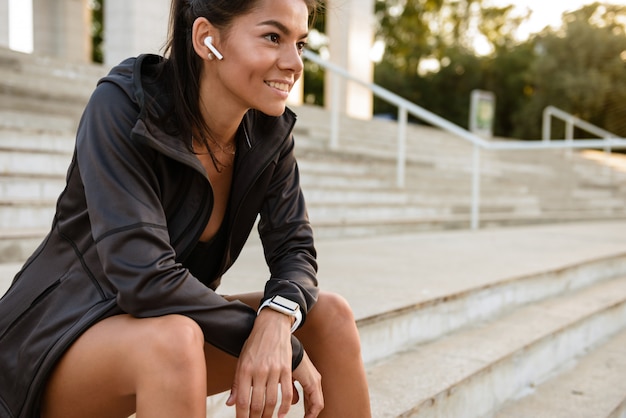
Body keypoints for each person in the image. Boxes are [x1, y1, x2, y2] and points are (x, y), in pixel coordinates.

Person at [0, 0, 372, 416]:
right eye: (272, 37)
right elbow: (144, 277)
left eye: (299, 44)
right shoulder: (124, 106)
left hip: (156, 335)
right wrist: (272, 339)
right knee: (175, 339)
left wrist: (276, 318)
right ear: (206, 39)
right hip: (53, 345)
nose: (294, 63)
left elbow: (295, 250)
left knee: (330, 317)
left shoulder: (267, 133)